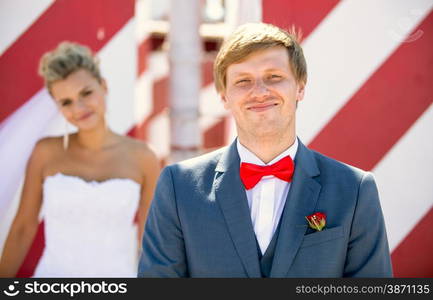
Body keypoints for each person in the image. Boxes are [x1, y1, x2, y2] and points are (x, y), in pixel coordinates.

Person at [137, 22, 393, 277]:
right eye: (243, 81)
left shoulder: (355, 189)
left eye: (274, 77)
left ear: (300, 87)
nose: (259, 92)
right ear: (224, 96)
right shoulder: (178, 187)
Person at [0, 42, 160, 277]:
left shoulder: (143, 157)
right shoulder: (45, 152)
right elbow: (23, 228)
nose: (79, 107)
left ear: (103, 86)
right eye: (66, 102)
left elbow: (150, 241)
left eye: (86, 93)